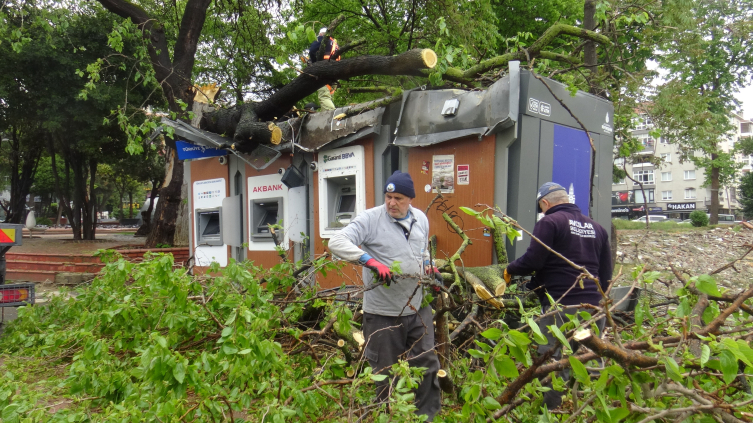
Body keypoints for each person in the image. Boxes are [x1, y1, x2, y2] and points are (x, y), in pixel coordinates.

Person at [328, 171, 441, 421]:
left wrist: (429, 269)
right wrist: (370, 261)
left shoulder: (420, 219)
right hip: (383, 314)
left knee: (427, 365)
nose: (391, 203)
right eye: (388, 196)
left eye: (398, 198)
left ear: (410, 199)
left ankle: (427, 417)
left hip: (417, 308)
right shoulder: (370, 219)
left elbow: (420, 253)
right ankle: (385, 416)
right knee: (385, 372)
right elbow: (336, 242)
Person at [503, 182, 612, 410]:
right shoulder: (597, 228)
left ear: (545, 203)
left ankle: (551, 412)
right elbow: (605, 275)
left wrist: (510, 269)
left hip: (561, 307)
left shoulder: (549, 222)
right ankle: (590, 409)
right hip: (594, 307)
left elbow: (534, 260)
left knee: (552, 361)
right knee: (589, 360)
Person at [308, 27, 339, 111]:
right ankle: (326, 118)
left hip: (325, 70)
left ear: (321, 34)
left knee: (324, 97)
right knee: (328, 97)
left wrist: (314, 63)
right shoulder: (335, 43)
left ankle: (332, 117)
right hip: (336, 71)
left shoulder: (322, 39)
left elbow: (312, 50)